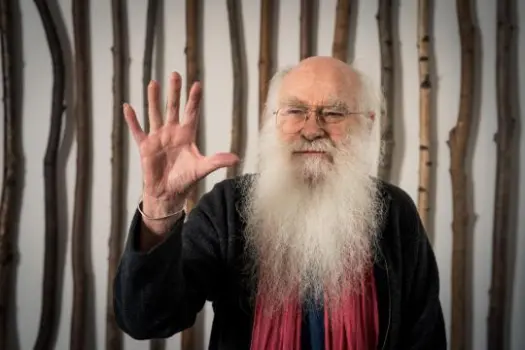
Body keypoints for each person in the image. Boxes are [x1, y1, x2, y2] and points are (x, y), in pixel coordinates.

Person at [113, 56, 447, 350]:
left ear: (367, 123)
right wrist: (160, 207)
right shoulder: (228, 208)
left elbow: (425, 338)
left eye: (333, 112)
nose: (312, 128)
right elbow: (147, 320)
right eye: (295, 111)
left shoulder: (396, 213)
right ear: (274, 119)